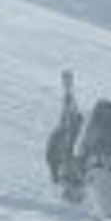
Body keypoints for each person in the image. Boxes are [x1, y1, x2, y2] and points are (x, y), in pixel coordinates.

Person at [44, 71, 86, 204]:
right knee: (69, 121)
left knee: (68, 121)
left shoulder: (57, 174)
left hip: (64, 142)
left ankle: (68, 92)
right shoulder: (79, 177)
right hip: (71, 142)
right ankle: (68, 93)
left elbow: (51, 155)